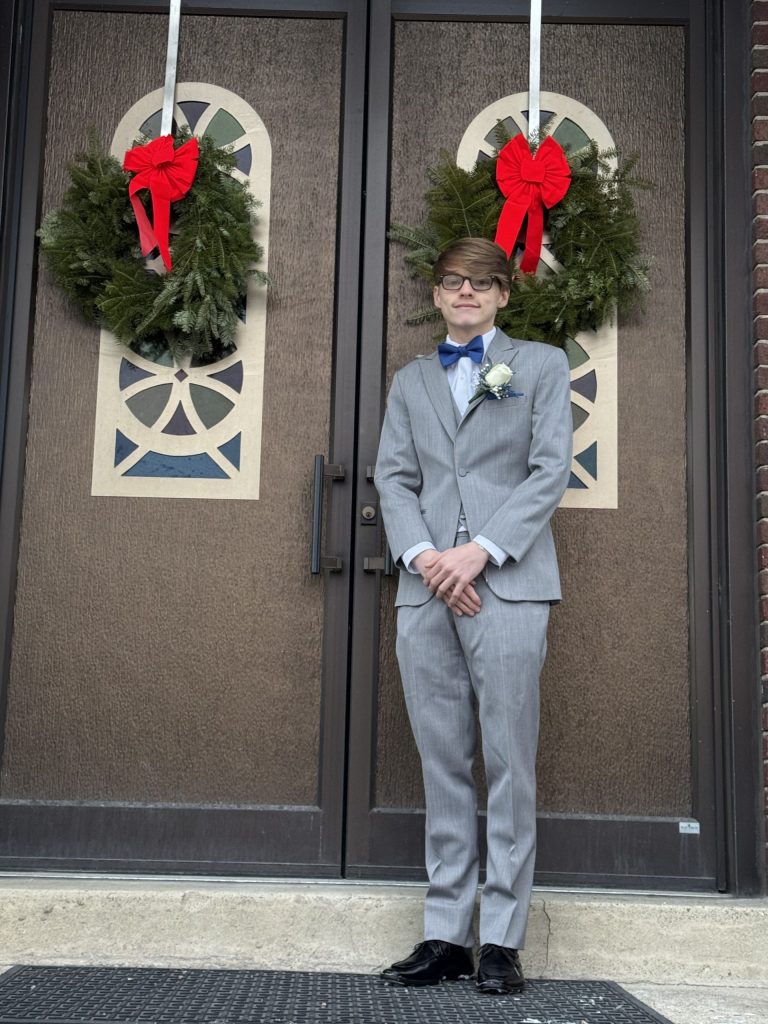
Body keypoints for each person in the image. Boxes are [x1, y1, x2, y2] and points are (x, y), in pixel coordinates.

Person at [374, 237, 572, 994]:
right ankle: (446, 935)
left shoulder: (541, 366)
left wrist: (479, 552)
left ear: (502, 295)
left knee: (509, 760)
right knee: (442, 761)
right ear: (436, 294)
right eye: (453, 281)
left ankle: (501, 941)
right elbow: (394, 478)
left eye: (482, 282)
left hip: (508, 586)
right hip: (426, 592)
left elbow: (550, 469)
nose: (466, 291)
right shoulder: (410, 381)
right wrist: (428, 558)